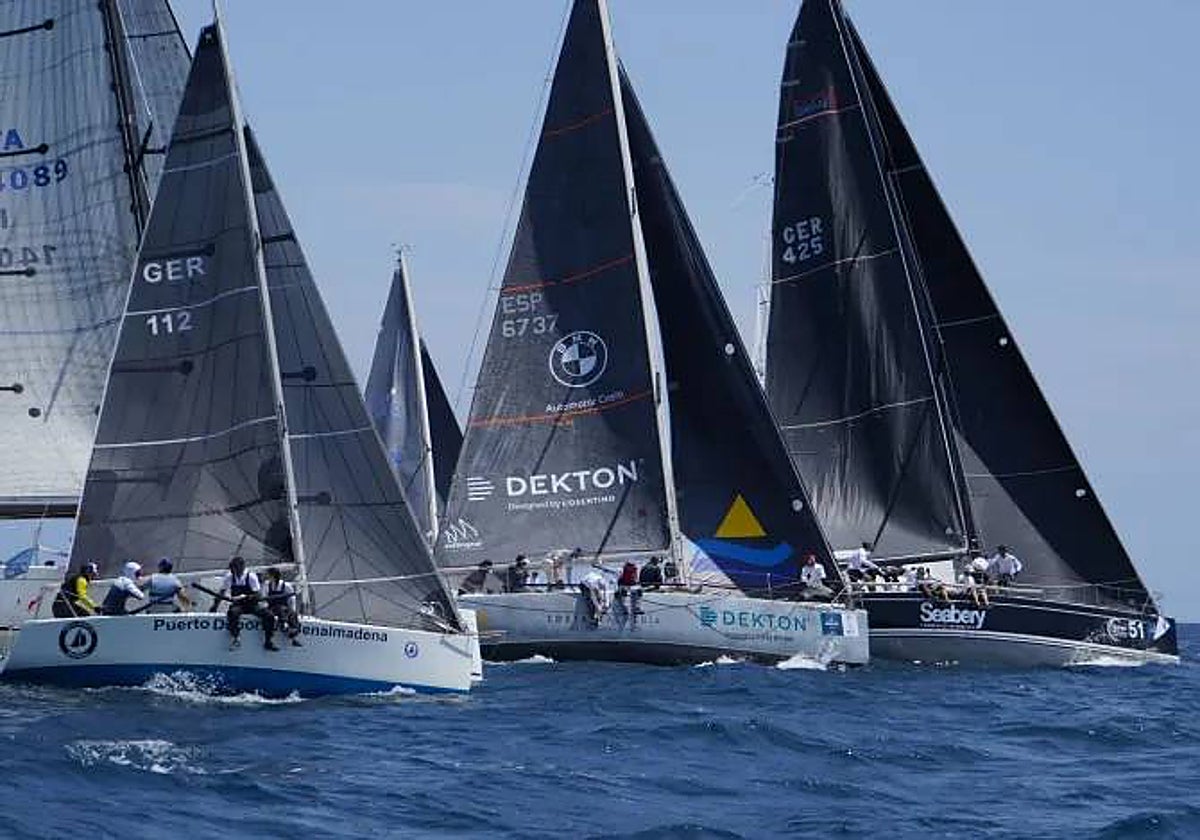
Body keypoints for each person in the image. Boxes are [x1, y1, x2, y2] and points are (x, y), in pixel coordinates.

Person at [215, 556, 276, 651]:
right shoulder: (229, 577)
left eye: (236, 567)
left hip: (251, 605)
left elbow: (258, 595)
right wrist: (214, 606)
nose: (234, 570)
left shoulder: (251, 577)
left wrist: (245, 597)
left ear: (242, 567)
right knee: (232, 613)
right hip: (238, 605)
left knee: (269, 615)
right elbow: (222, 592)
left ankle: (268, 640)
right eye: (233, 568)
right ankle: (236, 637)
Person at [263, 567, 302, 647]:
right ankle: (283, 625)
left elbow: (292, 599)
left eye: (268, 575)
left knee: (292, 614)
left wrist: (293, 610)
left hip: (284, 608)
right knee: (278, 609)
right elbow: (264, 598)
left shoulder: (286, 586)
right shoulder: (267, 585)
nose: (267, 577)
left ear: (273, 576)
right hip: (272, 608)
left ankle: (293, 635)